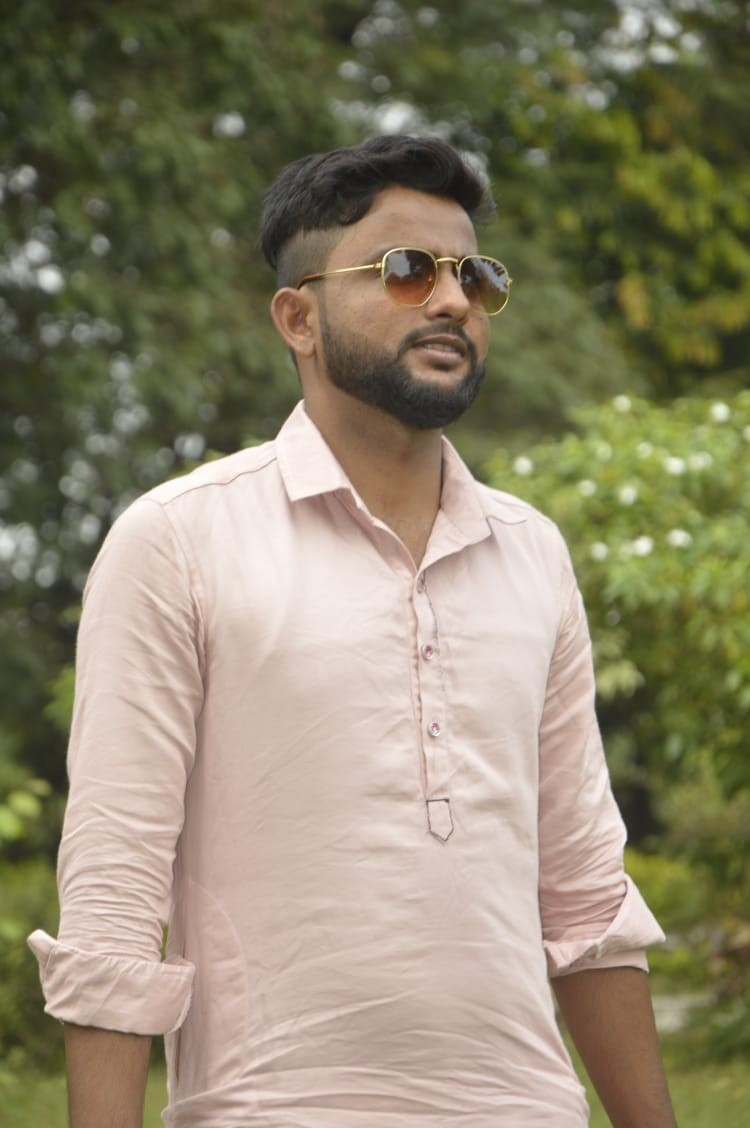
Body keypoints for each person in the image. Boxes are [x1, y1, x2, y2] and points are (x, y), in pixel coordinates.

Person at [29, 135, 676, 1127]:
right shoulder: (181, 540)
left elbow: (586, 896)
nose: (452, 300)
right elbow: (114, 900)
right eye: (406, 270)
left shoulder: (530, 552)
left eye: (475, 277)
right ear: (298, 317)